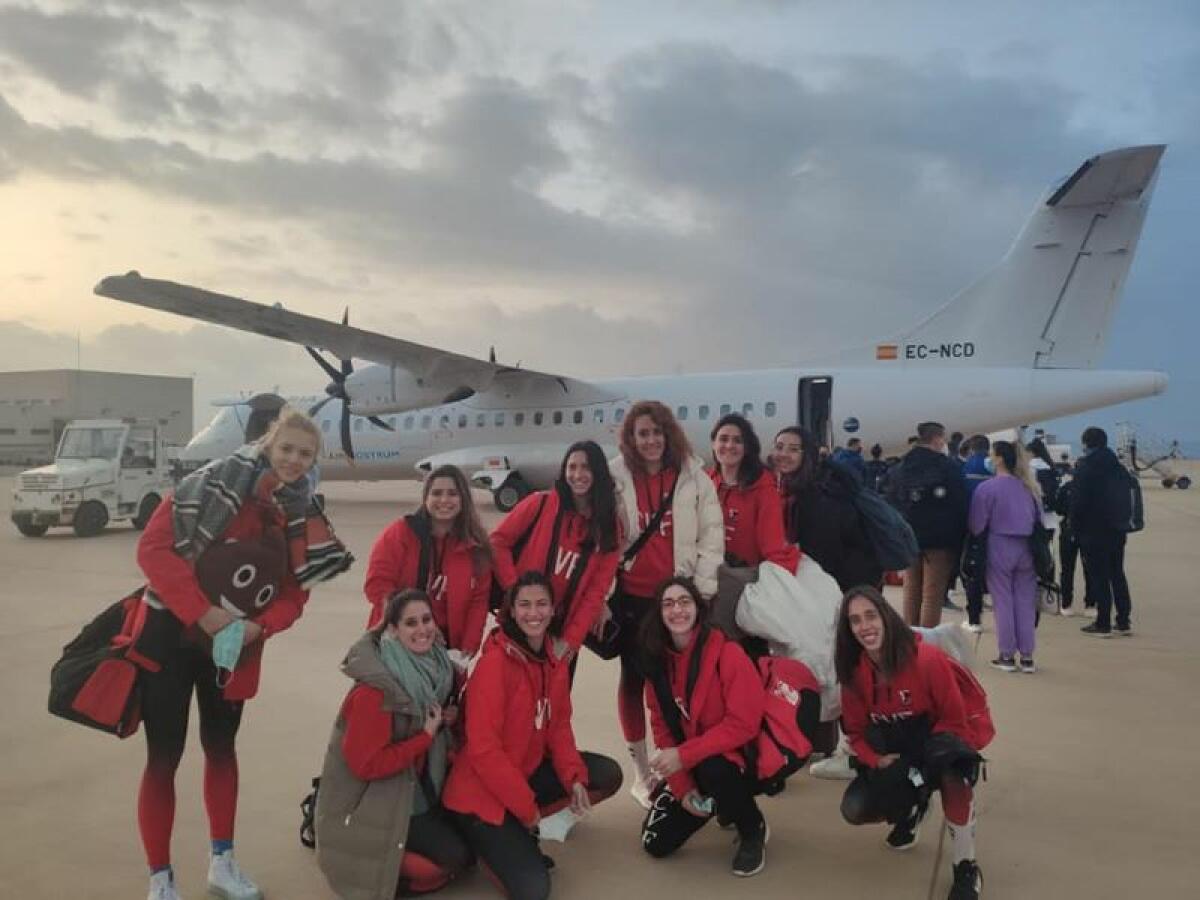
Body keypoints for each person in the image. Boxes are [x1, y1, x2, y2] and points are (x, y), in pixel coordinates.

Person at [135, 407, 352, 900]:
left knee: (221, 749)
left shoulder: (302, 514)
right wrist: (203, 614)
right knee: (163, 757)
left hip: (234, 647)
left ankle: (222, 862)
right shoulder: (209, 485)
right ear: (269, 443)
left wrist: (260, 626)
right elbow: (152, 550)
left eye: (306, 454)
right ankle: (161, 879)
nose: (294, 461)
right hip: (171, 637)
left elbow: (298, 591)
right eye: (287, 449)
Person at [442, 572, 622, 900]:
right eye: (524, 605)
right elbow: (483, 751)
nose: (533, 613)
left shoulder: (553, 660)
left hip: (522, 774)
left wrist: (573, 777)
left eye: (541, 604)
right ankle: (483, 841)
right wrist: (527, 809)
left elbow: (559, 728)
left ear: (553, 610)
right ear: (510, 611)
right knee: (534, 891)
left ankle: (519, 832)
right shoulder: (494, 664)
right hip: (480, 794)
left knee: (603, 774)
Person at [316, 589, 472, 898]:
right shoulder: (375, 692)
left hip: (417, 789)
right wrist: (425, 737)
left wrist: (444, 723)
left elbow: (430, 721)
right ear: (392, 629)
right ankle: (383, 870)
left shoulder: (439, 670)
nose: (422, 629)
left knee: (472, 848)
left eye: (426, 620)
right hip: (380, 800)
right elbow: (366, 765)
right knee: (452, 861)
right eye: (410, 623)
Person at [609, 401, 724, 807]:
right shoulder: (616, 474)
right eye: (643, 433)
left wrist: (704, 589)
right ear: (631, 438)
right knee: (634, 681)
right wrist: (604, 595)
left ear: (668, 433)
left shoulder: (693, 475)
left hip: (678, 597)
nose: (651, 440)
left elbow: (712, 534)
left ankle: (683, 763)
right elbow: (605, 538)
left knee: (679, 684)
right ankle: (643, 773)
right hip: (633, 599)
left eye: (657, 432)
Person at [836, 586, 984, 900]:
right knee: (855, 808)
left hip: (936, 741)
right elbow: (856, 735)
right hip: (897, 752)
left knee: (954, 773)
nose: (865, 626)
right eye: (855, 620)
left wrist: (933, 759)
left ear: (886, 618)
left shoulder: (927, 659)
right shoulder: (853, 675)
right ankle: (914, 808)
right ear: (848, 630)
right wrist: (877, 761)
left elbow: (956, 721)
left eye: (871, 615)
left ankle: (966, 865)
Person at [639, 578, 769, 877]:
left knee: (715, 769)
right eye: (668, 604)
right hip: (691, 761)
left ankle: (752, 826)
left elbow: (744, 725)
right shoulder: (656, 664)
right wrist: (683, 788)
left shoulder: (728, 653)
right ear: (659, 614)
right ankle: (723, 804)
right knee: (656, 843)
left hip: (736, 758)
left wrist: (685, 756)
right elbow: (662, 731)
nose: (677, 610)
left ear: (698, 608)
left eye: (684, 601)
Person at [490, 441, 621, 660]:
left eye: (586, 467)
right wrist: (515, 592)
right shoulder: (539, 503)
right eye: (572, 467)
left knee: (553, 694)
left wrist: (571, 641)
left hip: (561, 632)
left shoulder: (608, 527)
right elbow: (497, 542)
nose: (577, 474)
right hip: (521, 622)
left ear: (598, 472)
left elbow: (596, 590)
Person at [364, 465, 492, 657]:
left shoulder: (475, 548)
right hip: (396, 643)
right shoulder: (400, 534)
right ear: (426, 498)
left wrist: (468, 647)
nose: (444, 500)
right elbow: (377, 586)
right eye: (436, 493)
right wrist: (416, 626)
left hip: (448, 650)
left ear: (463, 499)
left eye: (452, 493)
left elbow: (478, 602)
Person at [772, 426, 880, 592]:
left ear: (806, 455)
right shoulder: (796, 487)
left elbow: (825, 554)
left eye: (793, 450)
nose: (784, 454)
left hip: (847, 584)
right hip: (837, 578)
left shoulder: (819, 493)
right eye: (779, 447)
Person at [968, 441, 1041, 673]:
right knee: (1024, 601)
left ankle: (1007, 654)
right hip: (1027, 547)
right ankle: (1027, 655)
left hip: (999, 543)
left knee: (1003, 601)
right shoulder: (1029, 487)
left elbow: (977, 524)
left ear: (998, 459)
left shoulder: (987, 488)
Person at [887, 422, 968, 628]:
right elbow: (960, 502)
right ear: (937, 439)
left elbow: (890, 499)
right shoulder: (947, 467)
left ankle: (909, 634)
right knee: (932, 595)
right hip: (940, 539)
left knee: (911, 590)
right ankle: (927, 643)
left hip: (908, 536)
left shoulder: (901, 467)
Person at [708, 413, 799, 573]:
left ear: (747, 448)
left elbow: (773, 543)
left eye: (737, 440)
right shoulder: (705, 483)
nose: (729, 445)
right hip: (707, 573)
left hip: (743, 576)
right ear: (713, 444)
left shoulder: (763, 489)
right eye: (723, 439)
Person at [1071, 427, 1135, 637]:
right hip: (1117, 528)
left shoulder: (1086, 467)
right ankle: (1124, 620)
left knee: (1099, 577)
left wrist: (1075, 528)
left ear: (1086, 443)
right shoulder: (1118, 467)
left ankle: (1103, 622)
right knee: (1117, 573)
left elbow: (1078, 503)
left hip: (1093, 530)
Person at [960, 435, 992, 633]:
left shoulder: (965, 468)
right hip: (994, 526)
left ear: (971, 449)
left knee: (971, 570)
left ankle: (974, 617)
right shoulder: (993, 468)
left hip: (971, 526)